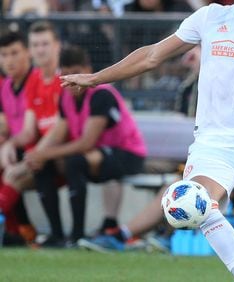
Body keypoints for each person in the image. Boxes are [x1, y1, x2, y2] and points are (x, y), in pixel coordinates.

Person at [61, 0, 234, 281]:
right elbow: (152, 55)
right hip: (213, 144)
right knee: (197, 201)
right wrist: (96, 78)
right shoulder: (209, 17)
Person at [25, 45, 147, 247]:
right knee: (45, 166)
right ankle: (56, 235)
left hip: (128, 155)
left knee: (75, 162)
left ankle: (77, 235)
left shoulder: (101, 94)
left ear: (87, 69)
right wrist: (37, 155)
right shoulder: (65, 98)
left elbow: (86, 143)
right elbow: (59, 131)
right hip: (99, 155)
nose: (71, 80)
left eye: (75, 73)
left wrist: (45, 153)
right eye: (65, 74)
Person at [0, 30, 37, 245]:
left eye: (14, 53)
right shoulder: (5, 85)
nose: (9, 60)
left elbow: (31, 131)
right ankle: (18, 232)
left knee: (11, 172)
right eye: (4, 55)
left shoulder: (37, 80)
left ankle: (20, 232)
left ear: (27, 53)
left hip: (40, 151)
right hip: (18, 150)